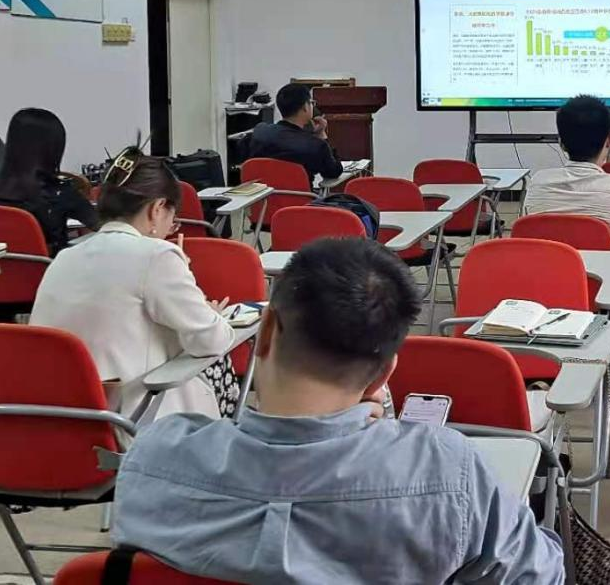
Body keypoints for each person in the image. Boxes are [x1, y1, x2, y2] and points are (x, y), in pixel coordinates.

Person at [112, 237, 565, 584]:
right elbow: (540, 574)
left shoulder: (155, 458)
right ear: (384, 374)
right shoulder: (448, 473)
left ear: (264, 332)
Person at [30, 147, 236, 419]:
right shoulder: (157, 256)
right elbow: (211, 341)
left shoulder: (64, 259)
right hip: (135, 418)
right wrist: (211, 314)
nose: (170, 229)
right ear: (157, 209)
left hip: (61, 417)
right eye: (172, 220)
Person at [525, 96, 610, 339]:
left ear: (561, 143)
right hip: (601, 293)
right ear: (609, 140)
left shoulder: (538, 183)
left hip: (543, 288)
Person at [0, 107, 98, 255]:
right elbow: (104, 225)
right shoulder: (59, 193)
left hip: (3, 269)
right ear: (54, 149)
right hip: (53, 269)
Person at [247, 82, 342, 184]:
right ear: (305, 107)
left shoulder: (260, 132)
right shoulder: (316, 145)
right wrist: (321, 134)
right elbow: (334, 172)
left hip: (263, 193)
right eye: (311, 103)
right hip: (300, 194)